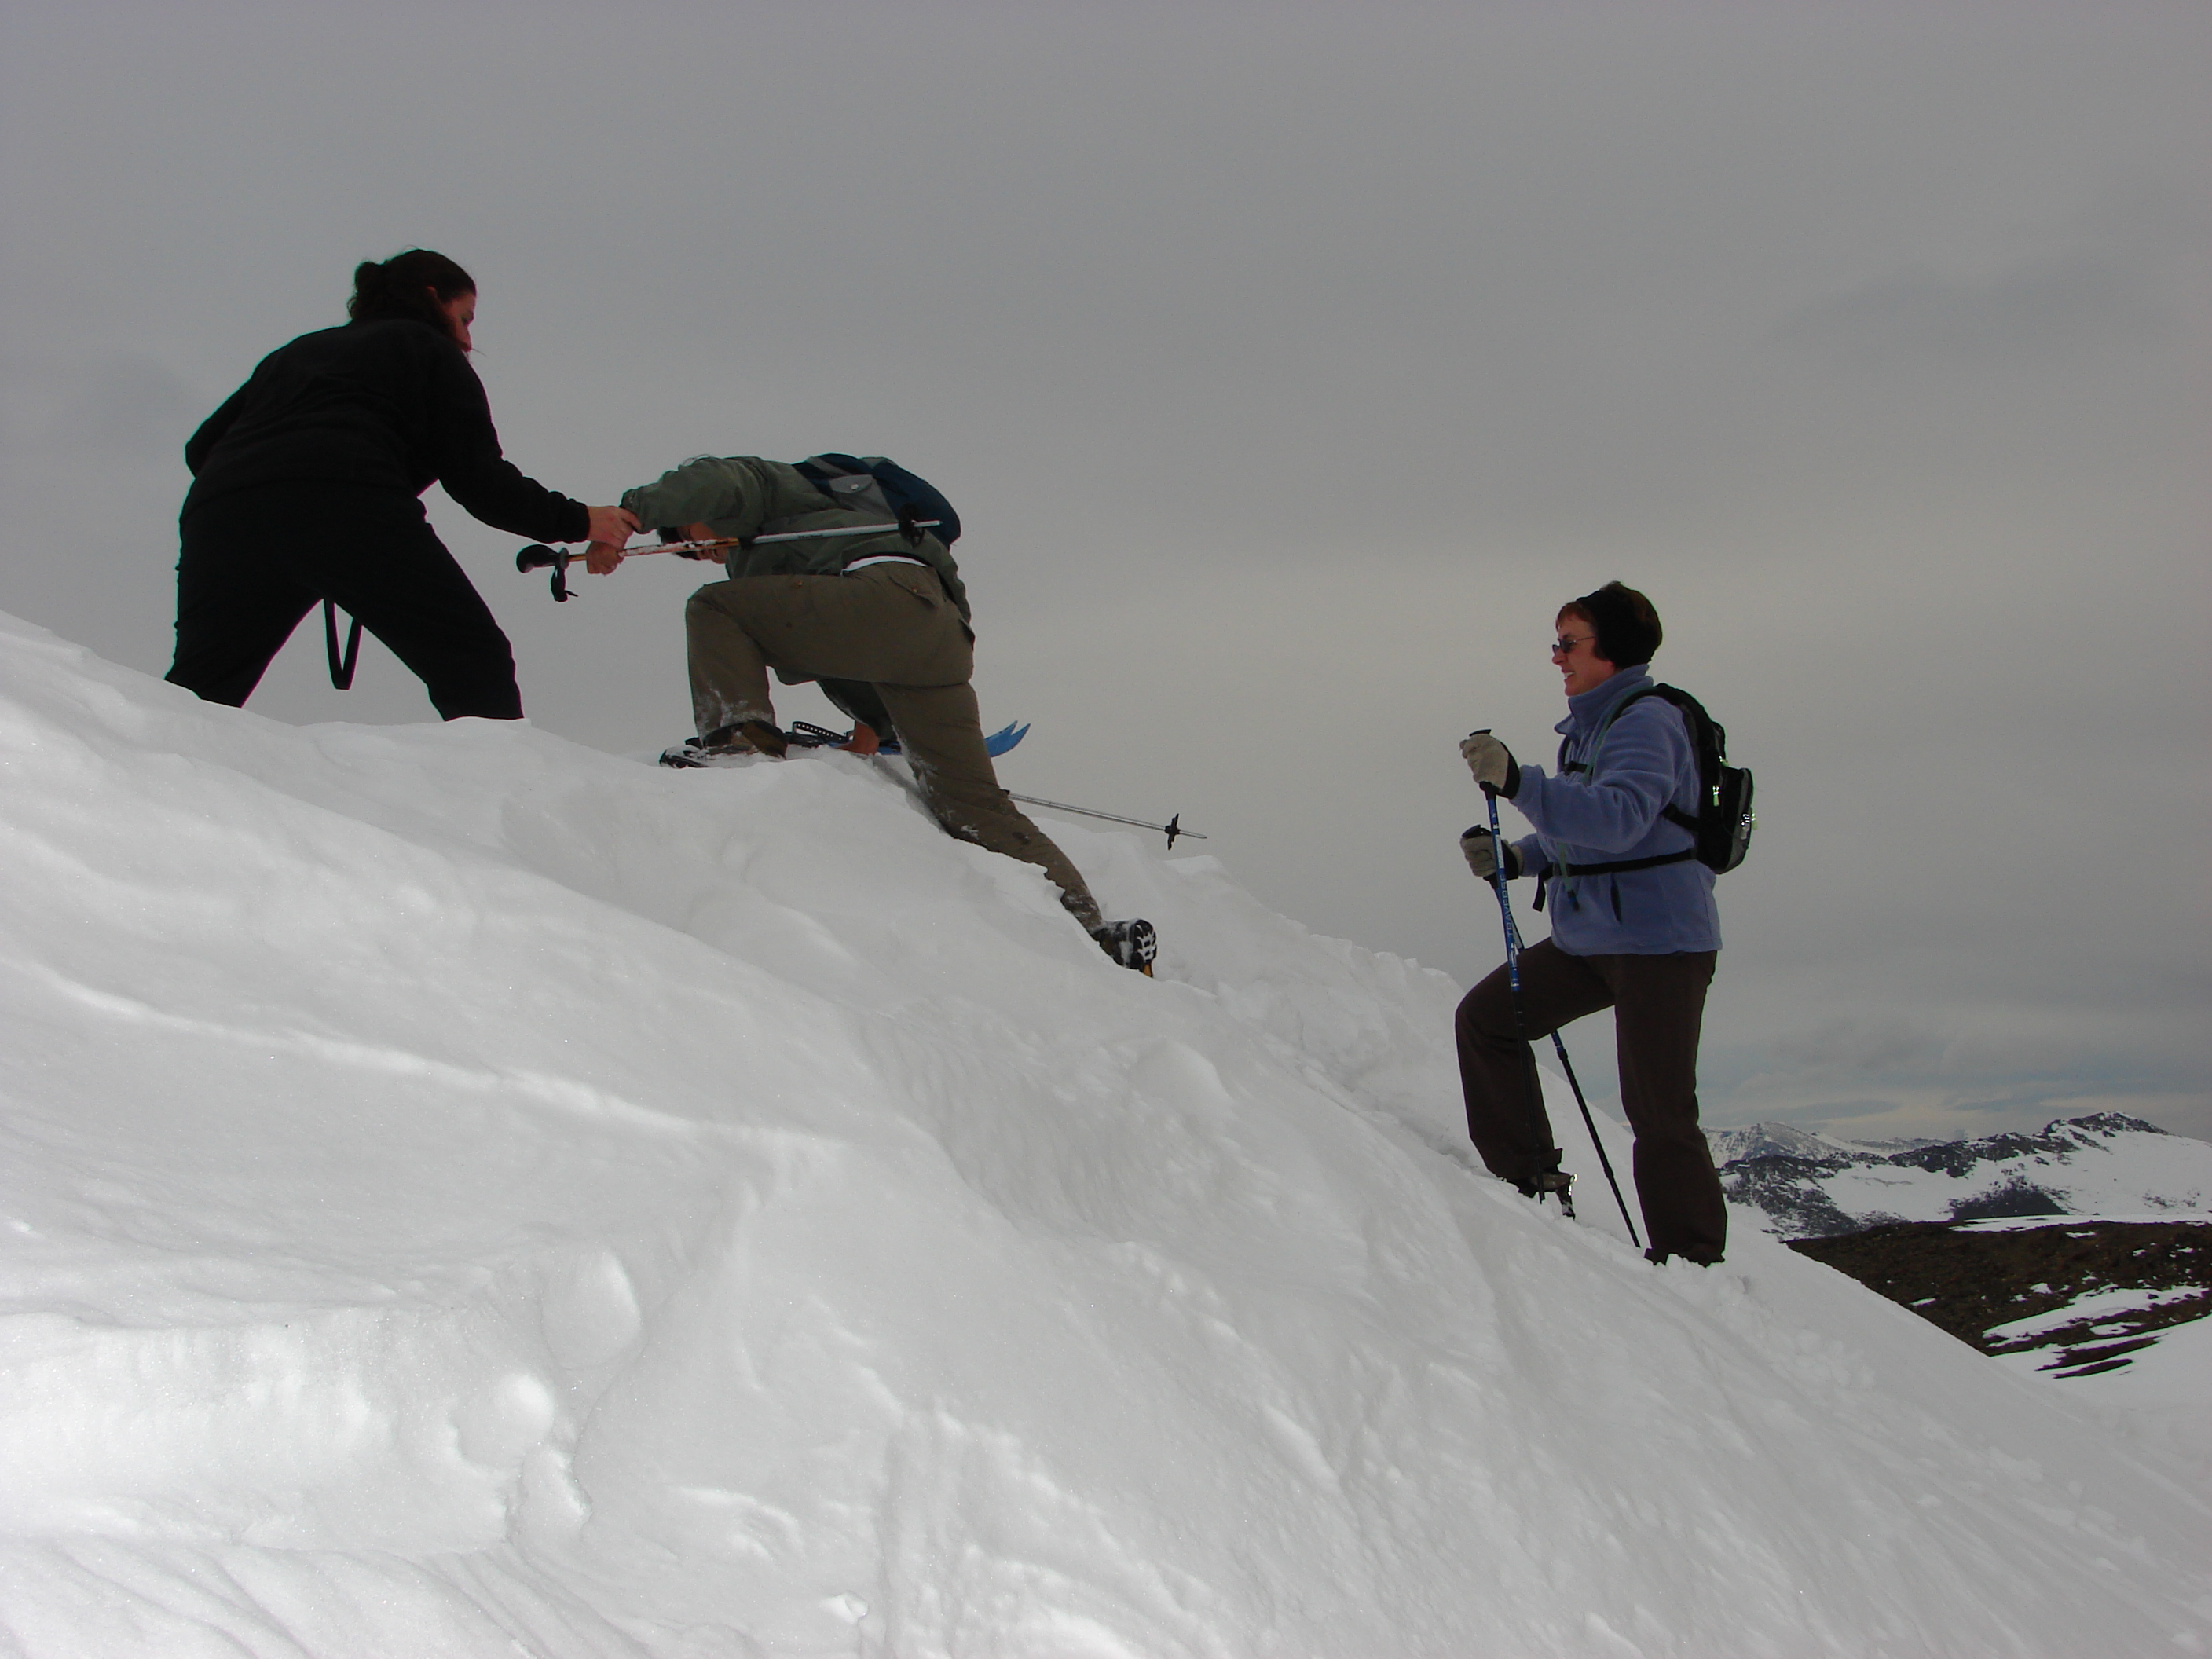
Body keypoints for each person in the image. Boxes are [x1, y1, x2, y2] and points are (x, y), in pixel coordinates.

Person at [584, 454, 1157, 973]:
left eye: (689, 537)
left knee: (712, 608)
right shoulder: (819, 537)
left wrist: (631, 516)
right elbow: (838, 651)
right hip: (937, 633)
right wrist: (873, 729)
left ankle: (737, 746)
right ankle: (1098, 933)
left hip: (882, 594)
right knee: (972, 806)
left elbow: (716, 479)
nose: (700, 551)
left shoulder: (770, 489)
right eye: (690, 551)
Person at [167, 249, 634, 720]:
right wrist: (582, 520)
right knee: (471, 660)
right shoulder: (429, 349)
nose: (468, 339)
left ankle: (151, 762)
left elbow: (201, 448)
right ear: (432, 298)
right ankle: (497, 768)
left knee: (202, 684)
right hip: (348, 502)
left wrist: (268, 491)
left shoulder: (296, 353)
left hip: (220, 514)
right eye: (465, 319)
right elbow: (480, 482)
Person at [1454, 581, 1727, 1265]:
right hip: (1592, 939)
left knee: (1659, 1109)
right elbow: (1588, 831)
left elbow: (1618, 820)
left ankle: (1693, 1263)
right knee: (1488, 1020)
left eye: (1568, 643)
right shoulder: (1593, 725)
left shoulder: (1646, 723)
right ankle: (1527, 1179)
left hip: (1661, 944)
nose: (1557, 657)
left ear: (1612, 650)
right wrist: (1520, 858)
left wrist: (1521, 784)